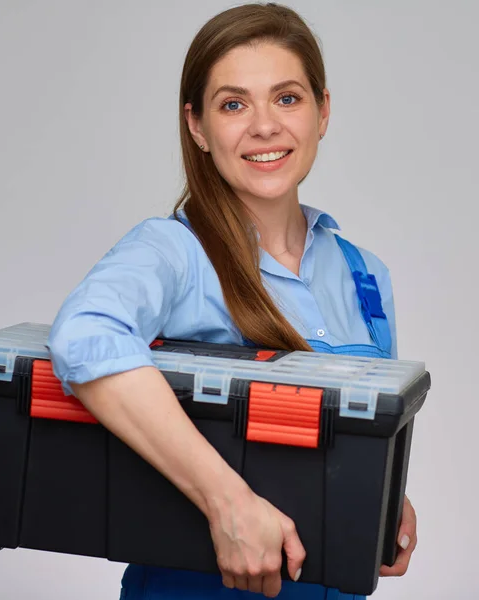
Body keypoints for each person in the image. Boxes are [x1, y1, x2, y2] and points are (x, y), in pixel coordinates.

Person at [47, 3, 418, 599]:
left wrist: (386, 495)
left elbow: (359, 432)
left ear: (323, 112)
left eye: (288, 98)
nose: (265, 126)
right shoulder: (175, 253)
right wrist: (229, 503)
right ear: (197, 126)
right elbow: (85, 338)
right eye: (234, 103)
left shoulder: (364, 275)